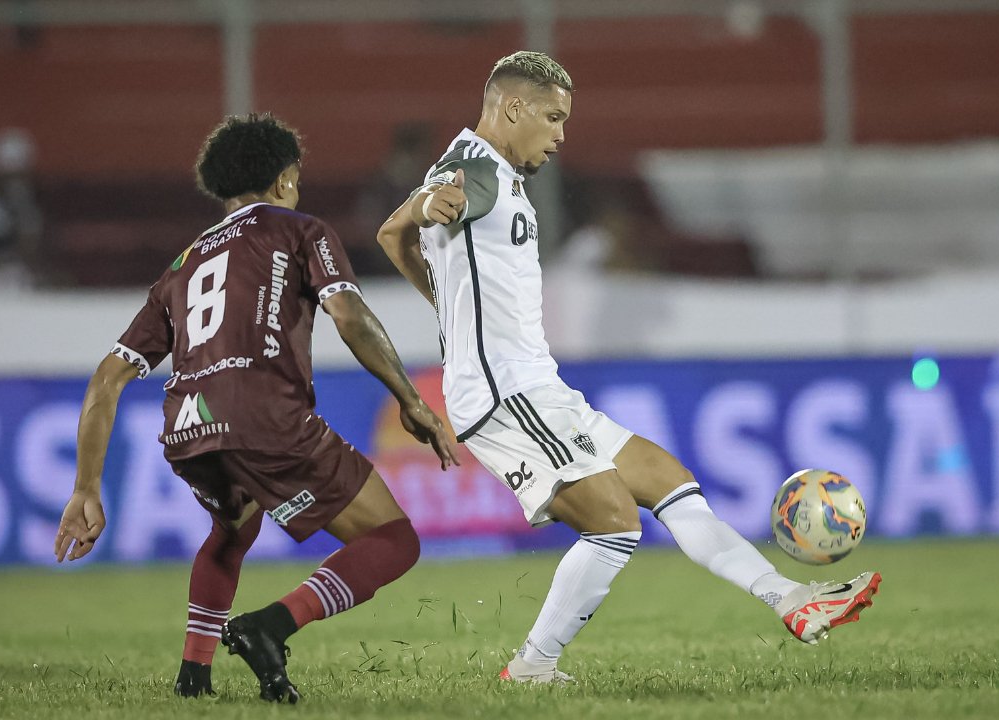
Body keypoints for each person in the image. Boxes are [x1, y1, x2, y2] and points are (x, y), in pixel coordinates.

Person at [376, 51, 880, 683]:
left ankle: (792, 600)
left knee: (672, 484)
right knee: (614, 524)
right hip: (505, 395)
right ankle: (533, 667)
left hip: (539, 388)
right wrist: (435, 203)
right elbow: (432, 203)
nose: (561, 136)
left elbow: (389, 234)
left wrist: (446, 303)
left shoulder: (491, 170)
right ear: (511, 108)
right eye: (553, 118)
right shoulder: (475, 169)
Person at [54, 114, 458, 703]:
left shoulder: (181, 266)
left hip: (189, 430)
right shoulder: (300, 229)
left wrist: (86, 488)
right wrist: (411, 398)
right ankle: (271, 625)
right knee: (395, 541)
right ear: (285, 178)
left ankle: (193, 676)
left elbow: (105, 381)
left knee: (231, 528)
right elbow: (349, 316)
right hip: (266, 416)